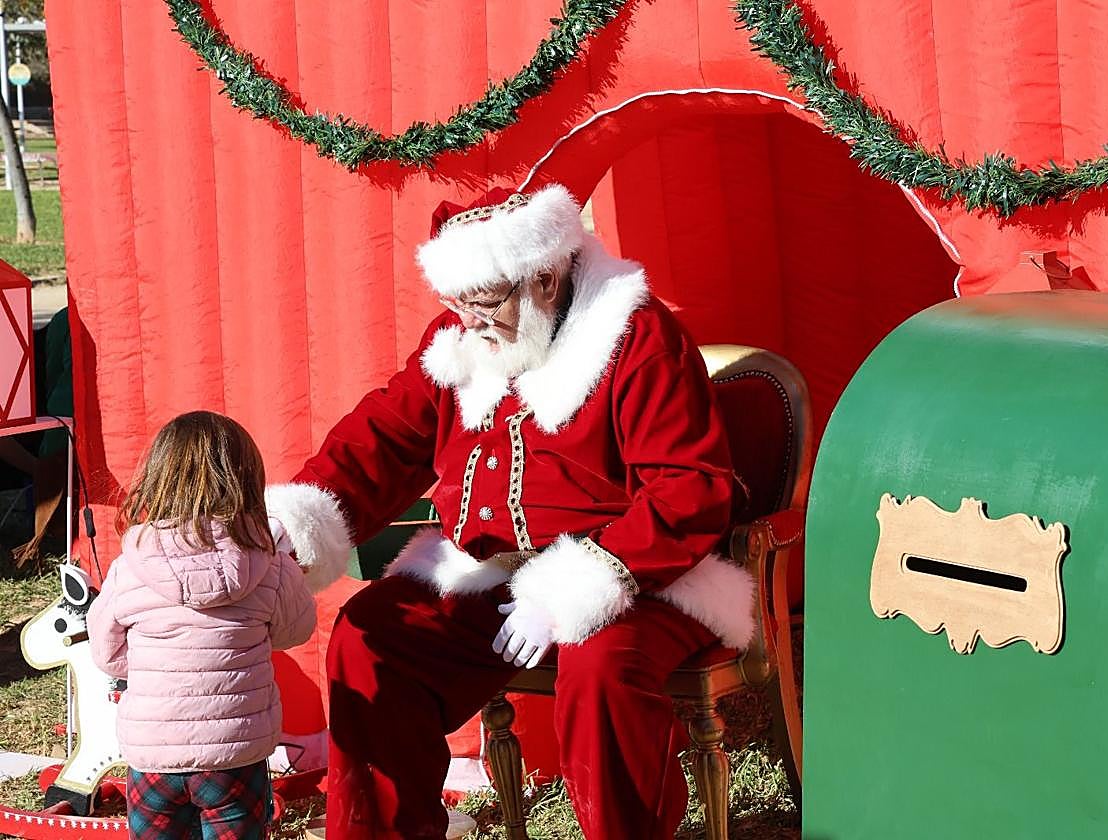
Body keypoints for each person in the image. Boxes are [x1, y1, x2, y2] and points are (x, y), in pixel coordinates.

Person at [265, 184, 756, 839]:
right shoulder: (465, 335)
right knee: (367, 637)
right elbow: (387, 433)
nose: (468, 321)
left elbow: (687, 491)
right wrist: (298, 516)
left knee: (601, 664)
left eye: (485, 303)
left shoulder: (638, 336)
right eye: (456, 303)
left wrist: (573, 586)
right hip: (490, 573)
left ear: (546, 278)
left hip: (640, 573)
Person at [87, 410, 317, 839]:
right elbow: (295, 631)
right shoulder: (269, 561)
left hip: (154, 757)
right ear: (247, 480)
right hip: (237, 754)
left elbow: (106, 652)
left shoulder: (130, 565)